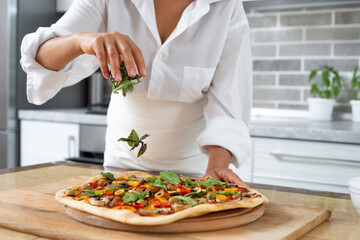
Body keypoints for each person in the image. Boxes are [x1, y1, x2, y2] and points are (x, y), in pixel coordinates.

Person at [20, 0, 252, 185]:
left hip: (193, 176)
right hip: (119, 173)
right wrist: (81, 41)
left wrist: (215, 169)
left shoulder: (227, 7)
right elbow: (39, 57)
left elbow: (228, 107)